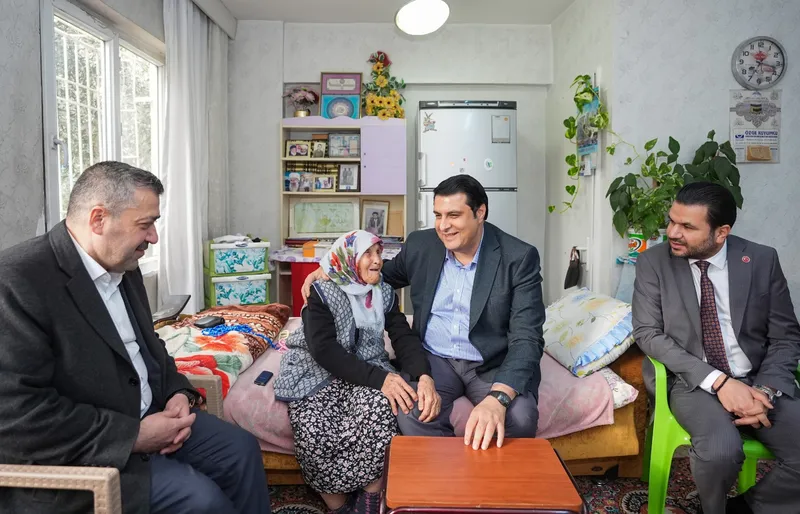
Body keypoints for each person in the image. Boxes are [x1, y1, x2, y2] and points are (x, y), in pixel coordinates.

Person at [0, 162, 270, 514]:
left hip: (152, 418)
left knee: (241, 450)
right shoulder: (18, 281)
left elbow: (150, 348)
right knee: (202, 501)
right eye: (145, 225)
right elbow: (17, 416)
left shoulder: (123, 265)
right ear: (98, 219)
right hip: (87, 453)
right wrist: (134, 436)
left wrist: (176, 392)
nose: (153, 237)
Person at [303, 175, 545, 450]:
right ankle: (448, 472)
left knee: (520, 419)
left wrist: (498, 399)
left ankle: (480, 475)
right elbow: (377, 276)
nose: (443, 226)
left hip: (491, 362)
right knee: (411, 411)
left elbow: (527, 338)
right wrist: (332, 271)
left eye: (454, 215)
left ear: (480, 213)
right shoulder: (422, 244)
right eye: (438, 215)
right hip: (434, 358)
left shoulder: (518, 258)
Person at [632, 182, 800, 514]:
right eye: (672, 221)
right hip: (692, 381)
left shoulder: (761, 260)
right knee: (720, 452)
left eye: (687, 226)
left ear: (721, 232)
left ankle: (746, 508)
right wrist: (720, 382)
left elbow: (785, 336)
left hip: (757, 378)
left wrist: (763, 390)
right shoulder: (654, 262)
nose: (673, 233)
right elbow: (648, 334)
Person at [274, 230, 439, 514]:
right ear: (349, 258)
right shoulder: (322, 292)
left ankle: (369, 499)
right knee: (313, 428)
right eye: (368, 254)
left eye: (379, 253)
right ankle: (338, 507)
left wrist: (423, 374)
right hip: (318, 372)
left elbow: (403, 336)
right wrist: (381, 379)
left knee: (382, 410)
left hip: (367, 368)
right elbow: (324, 350)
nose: (377, 260)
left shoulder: (383, 292)